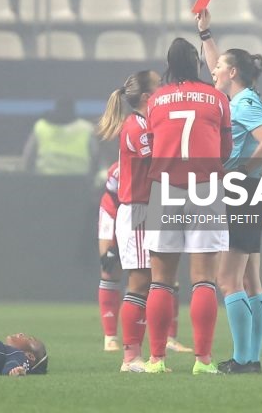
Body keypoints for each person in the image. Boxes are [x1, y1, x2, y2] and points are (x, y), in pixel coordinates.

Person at [143, 38, 232, 374]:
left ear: (168, 64)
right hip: (205, 187)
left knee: (160, 281)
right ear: (196, 63)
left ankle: (155, 359)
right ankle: (203, 361)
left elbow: (152, 145)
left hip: (164, 187)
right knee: (204, 279)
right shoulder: (217, 98)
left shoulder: (154, 100)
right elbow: (225, 148)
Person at [198, 9, 262, 374]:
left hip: (240, 189)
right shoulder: (246, 96)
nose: (212, 71)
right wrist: (206, 34)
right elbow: (218, 66)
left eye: (219, 69)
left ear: (232, 74)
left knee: (227, 279)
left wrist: (238, 171)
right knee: (250, 280)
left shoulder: (242, 103)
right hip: (254, 191)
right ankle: (251, 359)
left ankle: (244, 360)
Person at [98, 70, 163, 372]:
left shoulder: (145, 123)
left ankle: (142, 354)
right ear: (149, 97)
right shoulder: (136, 127)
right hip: (138, 211)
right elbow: (160, 162)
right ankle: (130, 357)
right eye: (160, 86)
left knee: (150, 282)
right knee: (139, 282)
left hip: (149, 209)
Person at [22, 97, 98, 177]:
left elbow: (28, 160)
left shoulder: (41, 127)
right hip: (79, 182)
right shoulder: (87, 128)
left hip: (45, 181)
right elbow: (96, 159)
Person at [96, 162, 123, 352]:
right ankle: (110, 336)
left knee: (159, 276)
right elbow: (111, 199)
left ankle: (168, 337)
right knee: (109, 267)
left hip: (151, 211)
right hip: (117, 213)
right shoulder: (117, 171)